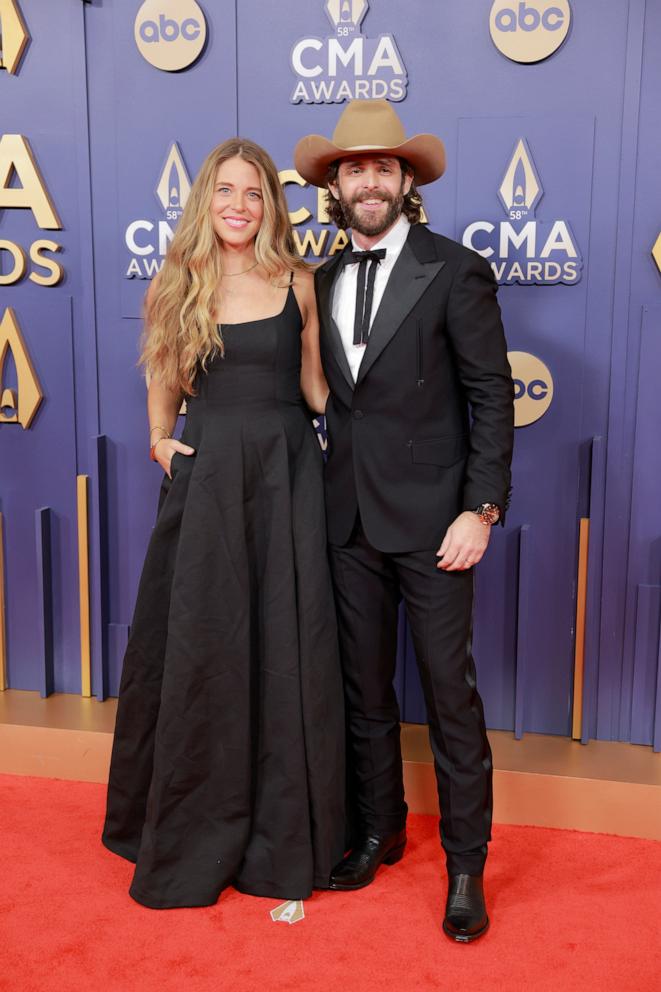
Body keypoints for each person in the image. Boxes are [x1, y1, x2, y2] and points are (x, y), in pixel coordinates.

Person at [102, 138, 345, 908]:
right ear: (205, 200)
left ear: (271, 206)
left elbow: (314, 392)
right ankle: (194, 818)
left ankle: (283, 826)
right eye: (226, 191)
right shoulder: (177, 282)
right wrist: (158, 440)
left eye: (254, 193)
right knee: (207, 642)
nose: (240, 205)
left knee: (285, 640)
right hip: (208, 483)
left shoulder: (299, 282)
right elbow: (163, 377)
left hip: (285, 477)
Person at [294, 100, 514, 943]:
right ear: (336, 186)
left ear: (406, 180)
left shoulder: (453, 271)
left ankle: (465, 867)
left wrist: (480, 509)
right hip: (345, 518)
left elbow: (491, 397)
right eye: (353, 168)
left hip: (435, 527)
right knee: (363, 694)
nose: (369, 180)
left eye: (383, 167)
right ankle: (378, 830)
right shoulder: (320, 277)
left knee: (450, 701)